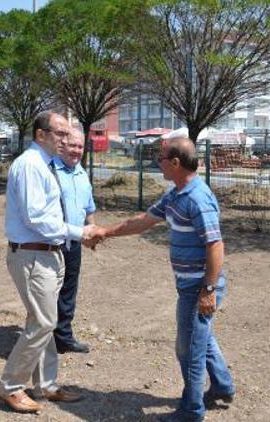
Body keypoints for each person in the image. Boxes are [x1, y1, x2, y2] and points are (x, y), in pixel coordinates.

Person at [92, 137, 235, 422]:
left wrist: (207, 288)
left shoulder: (196, 197)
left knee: (189, 351)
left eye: (161, 158)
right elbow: (143, 221)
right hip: (191, 285)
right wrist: (104, 232)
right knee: (201, 340)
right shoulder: (176, 194)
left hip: (198, 287)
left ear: (175, 163)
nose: (158, 162)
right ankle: (222, 386)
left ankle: (191, 411)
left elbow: (215, 245)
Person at [0, 110, 100, 414]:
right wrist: (79, 232)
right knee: (43, 322)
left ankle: (46, 384)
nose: (66, 140)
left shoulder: (43, 164)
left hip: (49, 253)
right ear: (40, 135)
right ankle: (10, 387)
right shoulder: (30, 165)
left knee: (44, 320)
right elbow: (37, 218)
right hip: (32, 254)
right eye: (60, 133)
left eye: (68, 134)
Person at [52, 127, 96, 354]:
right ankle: (44, 338)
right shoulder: (51, 171)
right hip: (53, 243)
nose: (77, 151)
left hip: (75, 242)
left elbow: (88, 207)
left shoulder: (81, 173)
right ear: (62, 146)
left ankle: (63, 337)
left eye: (80, 146)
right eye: (73, 146)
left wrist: (92, 232)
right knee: (49, 292)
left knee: (69, 291)